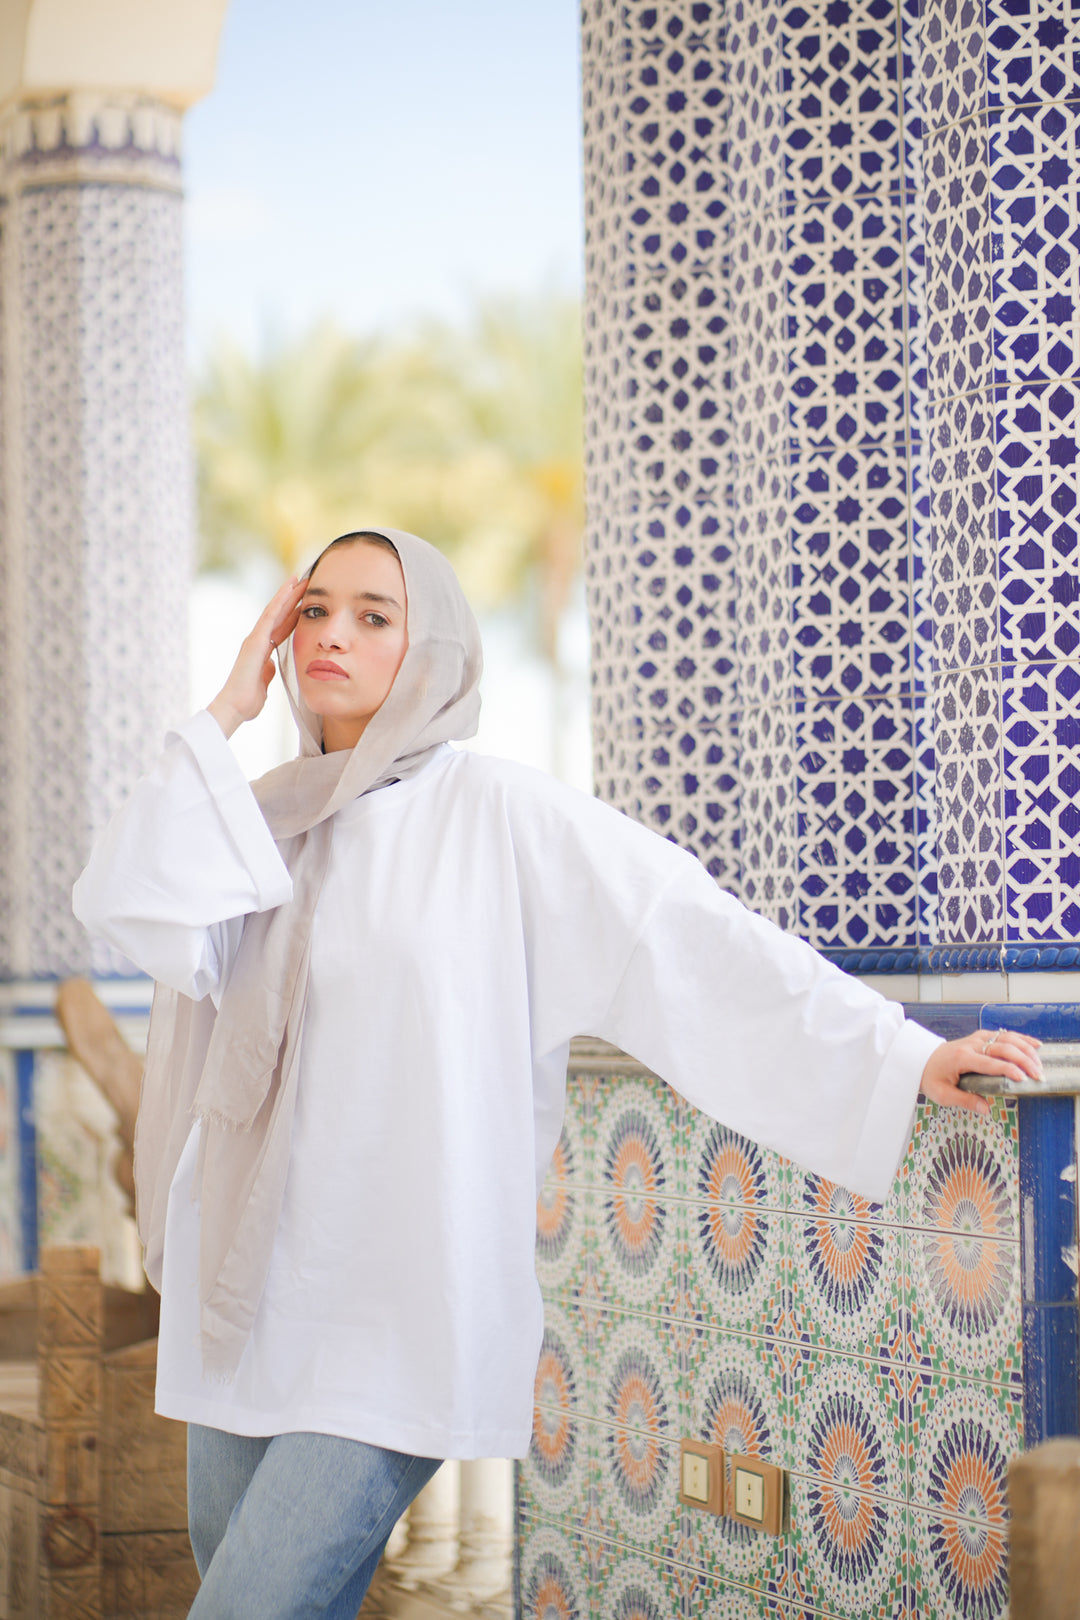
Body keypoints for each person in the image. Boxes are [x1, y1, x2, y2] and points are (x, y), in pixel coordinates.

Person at [73, 528, 1042, 1619]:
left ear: (433, 648)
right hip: (245, 1299)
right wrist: (228, 709)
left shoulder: (497, 816)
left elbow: (685, 935)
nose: (333, 634)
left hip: (398, 1305)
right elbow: (129, 897)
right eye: (313, 611)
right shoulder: (253, 830)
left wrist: (901, 1052)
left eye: (375, 615)